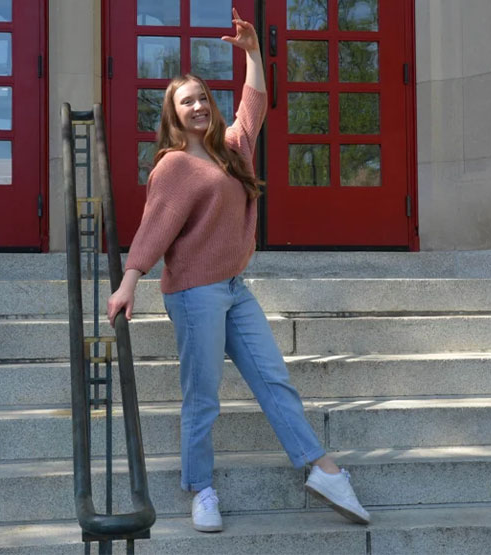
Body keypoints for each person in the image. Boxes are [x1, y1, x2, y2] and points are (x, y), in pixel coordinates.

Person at [107, 7, 369, 532]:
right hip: (195, 294)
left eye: (203, 97)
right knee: (202, 397)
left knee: (274, 380)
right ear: (173, 114)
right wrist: (129, 281)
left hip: (234, 289)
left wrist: (252, 52)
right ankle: (201, 488)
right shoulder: (174, 166)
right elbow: (154, 227)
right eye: (188, 102)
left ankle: (322, 469)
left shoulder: (231, 152)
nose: (199, 106)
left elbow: (255, 104)